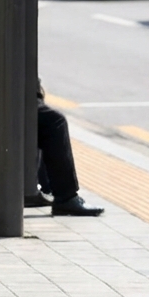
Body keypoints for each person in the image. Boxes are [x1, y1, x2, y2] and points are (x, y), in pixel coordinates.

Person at [35, 80, 106, 217]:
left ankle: (45, 187)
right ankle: (65, 197)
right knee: (53, 121)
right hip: (7, 93)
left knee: (42, 119)